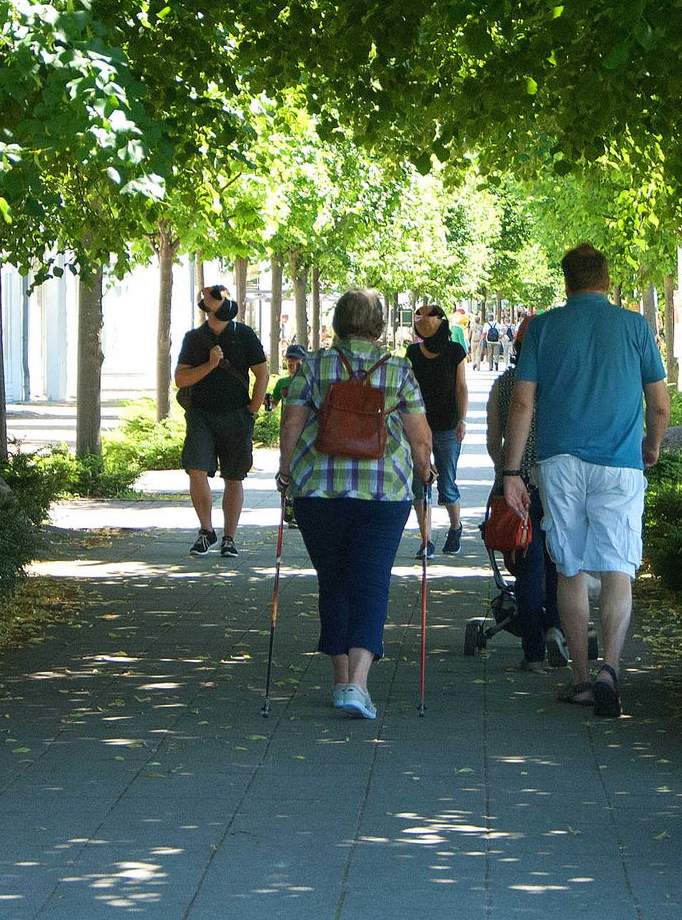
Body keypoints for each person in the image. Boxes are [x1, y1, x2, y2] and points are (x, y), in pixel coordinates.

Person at [499, 244, 670, 718]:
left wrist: (511, 471)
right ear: (608, 280)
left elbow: (521, 403)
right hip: (619, 462)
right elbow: (658, 402)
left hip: (558, 463)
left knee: (570, 567)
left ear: (566, 282)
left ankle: (579, 677)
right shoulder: (635, 326)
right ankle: (610, 669)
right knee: (618, 566)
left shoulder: (546, 328)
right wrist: (651, 444)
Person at [277, 288, 434, 721]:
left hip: (319, 491)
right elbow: (420, 435)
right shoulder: (399, 369)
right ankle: (358, 685)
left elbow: (292, 423)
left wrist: (286, 472)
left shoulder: (313, 365)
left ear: (338, 321)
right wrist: (426, 472)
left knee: (334, 580)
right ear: (378, 325)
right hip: (384, 493)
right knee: (371, 581)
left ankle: (340, 678)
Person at [174, 283, 268, 558]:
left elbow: (261, 373)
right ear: (207, 311)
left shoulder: (245, 335)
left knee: (234, 476)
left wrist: (252, 409)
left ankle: (230, 537)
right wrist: (210, 364)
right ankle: (206, 530)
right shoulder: (194, 338)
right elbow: (180, 379)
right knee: (196, 469)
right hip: (201, 414)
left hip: (236, 415)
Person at [486, 360, 557, 667]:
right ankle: (556, 626)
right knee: (559, 563)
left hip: (517, 485)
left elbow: (493, 440)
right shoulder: (559, 382)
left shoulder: (503, 385)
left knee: (528, 566)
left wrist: (503, 471)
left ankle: (532, 650)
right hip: (557, 482)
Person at [406, 304, 469, 556]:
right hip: (418, 425)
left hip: (447, 425)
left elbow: (461, 387)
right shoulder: (412, 352)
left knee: (447, 482)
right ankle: (426, 539)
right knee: (419, 482)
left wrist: (462, 420)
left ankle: (455, 527)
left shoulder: (455, 351)